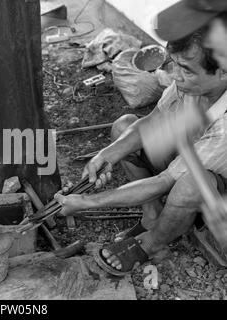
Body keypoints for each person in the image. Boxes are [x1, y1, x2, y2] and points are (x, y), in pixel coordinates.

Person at [55, 27, 227, 276]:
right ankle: (152, 215)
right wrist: (106, 155)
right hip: (190, 157)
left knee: (189, 186)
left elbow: (164, 180)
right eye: (174, 64)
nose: (176, 76)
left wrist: (86, 202)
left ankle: (153, 243)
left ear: (222, 72)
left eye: (186, 70)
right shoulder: (192, 83)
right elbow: (151, 121)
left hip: (216, 190)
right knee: (124, 126)